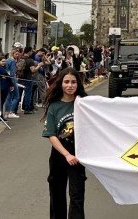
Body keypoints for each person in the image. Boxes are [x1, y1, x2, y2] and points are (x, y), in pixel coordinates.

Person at [43, 67, 87, 219]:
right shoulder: (54, 106)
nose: (70, 85)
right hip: (59, 155)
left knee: (77, 197)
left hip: (78, 155)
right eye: (66, 82)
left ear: (78, 84)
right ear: (60, 83)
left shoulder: (84, 104)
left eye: (73, 82)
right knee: (57, 195)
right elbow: (51, 135)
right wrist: (66, 154)